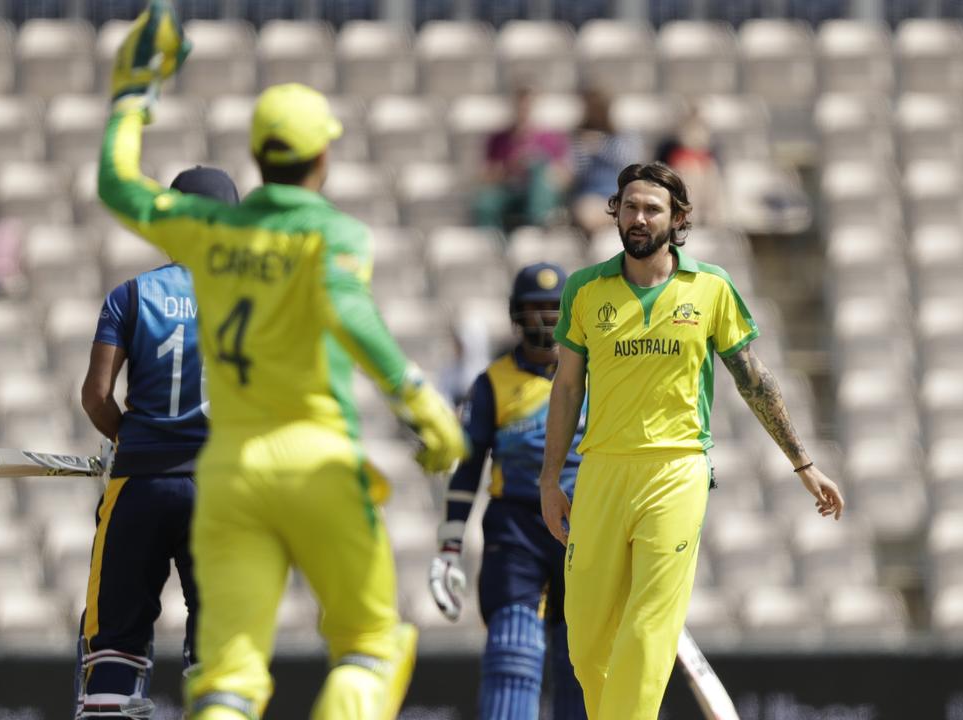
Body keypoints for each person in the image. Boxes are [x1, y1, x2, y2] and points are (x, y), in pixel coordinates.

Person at [95, 4, 466, 718]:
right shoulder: (336, 234)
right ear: (323, 158)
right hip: (316, 462)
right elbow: (353, 318)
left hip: (231, 476)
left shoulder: (206, 230)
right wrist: (425, 408)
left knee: (229, 679)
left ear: (259, 155)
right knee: (370, 644)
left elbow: (116, 184)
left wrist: (131, 99)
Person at [537, 162, 844, 720]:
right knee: (584, 645)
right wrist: (550, 478)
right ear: (616, 212)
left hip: (676, 469)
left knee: (649, 624)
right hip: (601, 470)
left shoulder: (710, 287)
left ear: (678, 218)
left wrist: (804, 463)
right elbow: (566, 389)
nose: (638, 217)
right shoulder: (585, 289)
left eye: (652, 208)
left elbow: (753, 378)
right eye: (629, 205)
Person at [74, 165, 239, 719]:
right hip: (219, 491)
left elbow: (97, 396)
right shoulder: (252, 302)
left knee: (114, 645)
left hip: (139, 486)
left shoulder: (131, 295)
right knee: (217, 653)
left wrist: (132, 441)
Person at [428, 263, 587, 720]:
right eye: (535, 309)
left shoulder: (597, 376)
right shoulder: (491, 383)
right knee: (513, 651)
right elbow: (469, 466)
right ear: (516, 316)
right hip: (516, 530)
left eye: (554, 309)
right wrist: (450, 544)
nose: (544, 320)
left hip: (585, 528)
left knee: (580, 660)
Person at [473, 86, 570, 233]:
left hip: (539, 193)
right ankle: (492, 243)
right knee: (485, 203)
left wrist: (543, 168)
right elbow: (484, 176)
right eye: (520, 107)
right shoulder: (498, 139)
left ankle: (536, 227)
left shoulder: (550, 138)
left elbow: (564, 177)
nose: (524, 112)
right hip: (509, 190)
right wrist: (509, 168)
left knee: (538, 169)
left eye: (527, 107)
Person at [568, 88, 643, 239]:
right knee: (587, 213)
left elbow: (629, 163)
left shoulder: (622, 136)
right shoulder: (579, 137)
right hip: (590, 195)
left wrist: (601, 146)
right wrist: (585, 148)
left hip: (618, 193)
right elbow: (577, 172)